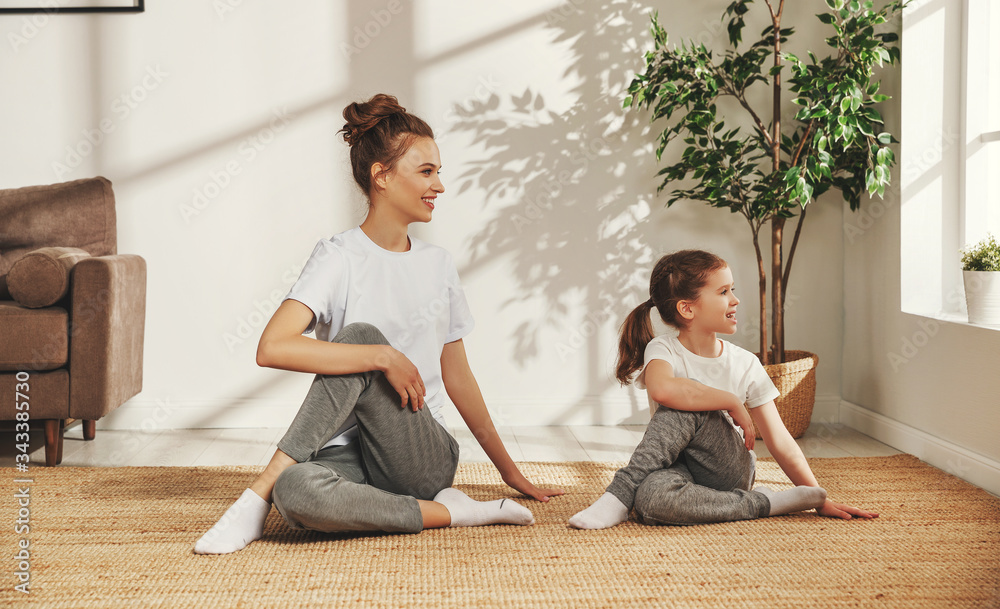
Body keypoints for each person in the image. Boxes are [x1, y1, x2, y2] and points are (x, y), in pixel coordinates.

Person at [194, 94, 562, 555]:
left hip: (419, 452)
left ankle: (254, 495)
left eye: (438, 171)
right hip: (347, 452)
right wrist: (383, 357)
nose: (440, 186)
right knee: (295, 493)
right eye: (427, 171)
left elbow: (459, 377)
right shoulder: (338, 257)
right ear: (381, 175)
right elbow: (272, 347)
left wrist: (510, 472)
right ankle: (456, 512)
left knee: (361, 337)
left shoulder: (439, 265)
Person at [569, 250, 877, 529]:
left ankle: (618, 495)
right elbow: (662, 387)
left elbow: (779, 439)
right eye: (723, 291)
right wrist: (729, 399)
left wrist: (818, 498)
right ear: (687, 309)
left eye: (732, 290)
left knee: (684, 401)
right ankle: (766, 504)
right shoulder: (662, 349)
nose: (735, 299)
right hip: (677, 469)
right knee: (651, 502)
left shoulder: (743, 363)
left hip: (728, 469)